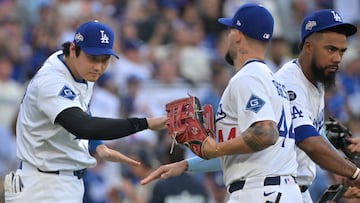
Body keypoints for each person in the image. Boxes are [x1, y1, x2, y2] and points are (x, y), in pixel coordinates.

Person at [143, 3, 303, 202]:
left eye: (230, 30)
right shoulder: (273, 80)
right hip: (275, 188)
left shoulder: (247, 78)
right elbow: (243, 151)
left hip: (259, 191)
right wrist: (186, 165)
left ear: (237, 35)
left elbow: (265, 133)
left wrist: (214, 149)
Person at [3, 20, 167, 203]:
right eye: (93, 58)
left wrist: (97, 145)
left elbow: (81, 114)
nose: (98, 66)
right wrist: (145, 123)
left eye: (104, 59)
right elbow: (82, 125)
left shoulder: (79, 68)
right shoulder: (51, 81)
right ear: (73, 50)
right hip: (43, 185)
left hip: (62, 181)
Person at [275, 9, 360, 202]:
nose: (337, 58)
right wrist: (354, 173)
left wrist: (342, 150)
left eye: (342, 51)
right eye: (330, 49)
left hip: (298, 189)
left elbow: (315, 134)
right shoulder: (288, 82)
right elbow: (308, 141)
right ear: (308, 47)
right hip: (278, 187)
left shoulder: (317, 80)